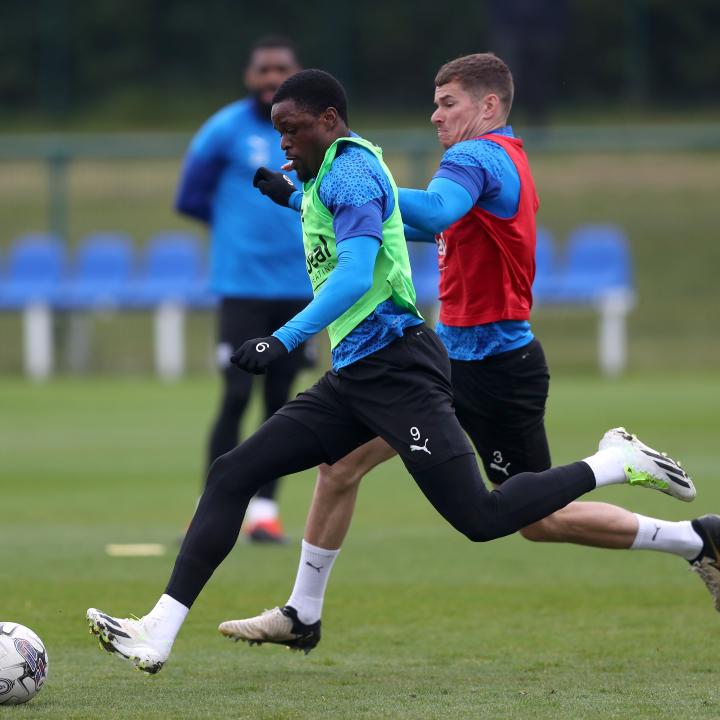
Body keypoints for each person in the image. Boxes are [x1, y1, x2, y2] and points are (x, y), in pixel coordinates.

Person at [86, 69, 693, 674]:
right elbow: (359, 212)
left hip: (403, 369)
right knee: (236, 472)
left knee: (483, 519)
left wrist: (282, 339)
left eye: (291, 129)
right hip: (358, 375)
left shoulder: (405, 163)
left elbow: (362, 264)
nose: (283, 143)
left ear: (328, 120)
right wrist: (298, 196)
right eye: (278, 132)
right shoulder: (338, 173)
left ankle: (614, 463)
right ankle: (160, 630)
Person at [174, 36, 314, 543]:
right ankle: (207, 508)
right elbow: (189, 196)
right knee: (235, 394)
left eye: (282, 68)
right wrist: (237, 230)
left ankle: (264, 513)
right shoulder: (224, 129)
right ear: (249, 76)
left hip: (301, 285)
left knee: (282, 403)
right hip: (241, 287)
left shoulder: (315, 131)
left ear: (296, 74)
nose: (272, 77)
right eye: (263, 69)